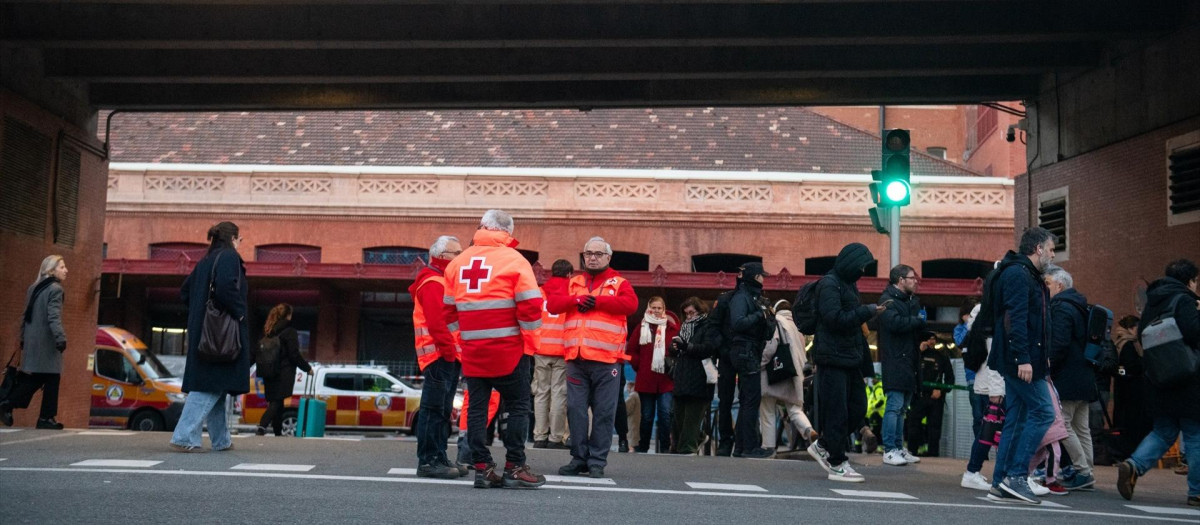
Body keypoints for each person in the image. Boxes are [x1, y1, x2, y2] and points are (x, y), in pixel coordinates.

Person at [443, 210, 546, 489]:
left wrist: (463, 344)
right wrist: (531, 342)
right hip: (509, 350)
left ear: (481, 227)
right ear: (508, 233)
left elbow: (449, 312)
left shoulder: (457, 263)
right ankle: (514, 465)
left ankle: (482, 468)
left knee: (476, 409)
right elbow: (530, 306)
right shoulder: (515, 261)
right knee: (518, 407)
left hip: (474, 351)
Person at [549, 236, 638, 479]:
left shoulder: (619, 282)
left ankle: (597, 460)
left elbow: (630, 304)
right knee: (576, 410)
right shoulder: (574, 281)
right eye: (589, 253)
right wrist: (577, 299)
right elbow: (553, 304)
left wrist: (596, 301)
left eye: (598, 254)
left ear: (608, 257)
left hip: (607, 359)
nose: (593, 257)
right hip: (576, 358)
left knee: (604, 412)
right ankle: (579, 458)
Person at [1117, 259, 1200, 508]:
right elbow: (1194, 333)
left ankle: (1134, 465)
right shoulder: (1184, 301)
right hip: (1188, 379)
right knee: (1195, 434)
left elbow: (1143, 335)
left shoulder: (1152, 302)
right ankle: (1196, 491)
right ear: (1190, 281)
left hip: (1158, 380)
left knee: (1163, 431)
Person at [985, 227, 1057, 505]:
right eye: (1051, 249)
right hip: (1021, 361)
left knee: (1017, 419)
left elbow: (1032, 320)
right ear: (1038, 248)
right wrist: (1023, 358)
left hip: (1025, 359)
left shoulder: (1025, 274)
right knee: (1042, 412)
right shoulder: (1019, 274)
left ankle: (1001, 482)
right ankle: (1015, 476)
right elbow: (1015, 318)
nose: (1053, 254)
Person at [169, 221, 252, 452]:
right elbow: (226, 288)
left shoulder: (205, 261)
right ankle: (184, 436)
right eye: (240, 239)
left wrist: (200, 312)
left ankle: (221, 440)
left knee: (215, 381)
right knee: (211, 385)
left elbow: (185, 292)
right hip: (220, 334)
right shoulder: (228, 257)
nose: (240, 244)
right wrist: (240, 313)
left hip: (203, 332)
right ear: (233, 238)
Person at [807, 243, 882, 483]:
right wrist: (866, 312)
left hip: (849, 357)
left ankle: (824, 445)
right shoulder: (829, 283)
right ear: (850, 262)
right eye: (861, 265)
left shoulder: (849, 284)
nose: (862, 270)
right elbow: (833, 318)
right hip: (831, 357)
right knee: (837, 411)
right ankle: (837, 461)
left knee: (859, 407)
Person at [411, 235, 466, 479]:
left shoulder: (440, 279)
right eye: (457, 253)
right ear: (443, 257)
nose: (461, 257)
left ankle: (438, 457)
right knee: (435, 410)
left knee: (441, 410)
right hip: (439, 356)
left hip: (444, 356)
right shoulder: (434, 282)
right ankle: (430, 460)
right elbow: (437, 322)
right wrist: (449, 353)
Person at [1043, 265, 1098, 491]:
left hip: (1067, 377)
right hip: (1084, 376)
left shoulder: (1062, 307)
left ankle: (1083, 471)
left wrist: (1049, 367)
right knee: (1081, 426)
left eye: (1047, 284)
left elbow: (1059, 344)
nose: (1045, 288)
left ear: (1060, 285)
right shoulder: (1081, 306)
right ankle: (1088, 471)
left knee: (1064, 424)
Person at [1, 255, 70, 429]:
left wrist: (23, 337)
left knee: (37, 378)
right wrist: (60, 338)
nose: (66, 270)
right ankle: (45, 418)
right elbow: (53, 316)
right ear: (51, 270)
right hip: (47, 343)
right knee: (52, 377)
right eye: (62, 267)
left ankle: (7, 404)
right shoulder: (55, 289)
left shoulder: (34, 288)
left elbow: (25, 315)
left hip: (33, 342)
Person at [725, 262, 777, 459]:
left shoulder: (753, 297)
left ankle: (741, 447)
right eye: (761, 276)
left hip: (751, 350)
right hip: (745, 351)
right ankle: (750, 446)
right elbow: (738, 323)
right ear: (755, 277)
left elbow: (766, 330)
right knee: (750, 401)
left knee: (748, 400)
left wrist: (768, 318)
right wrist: (760, 314)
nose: (764, 279)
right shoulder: (742, 297)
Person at [878, 264, 926, 466]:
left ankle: (898, 447)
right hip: (896, 360)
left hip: (908, 361)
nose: (915, 281)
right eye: (912, 278)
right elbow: (895, 323)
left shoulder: (909, 301)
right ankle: (889, 449)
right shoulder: (888, 301)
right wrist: (916, 321)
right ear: (900, 280)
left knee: (902, 408)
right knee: (895, 406)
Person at [759, 300, 818, 452]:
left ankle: (768, 448)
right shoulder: (798, 328)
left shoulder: (777, 321)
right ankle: (808, 430)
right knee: (795, 409)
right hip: (794, 374)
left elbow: (771, 346)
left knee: (768, 411)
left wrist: (760, 363)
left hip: (774, 373)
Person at [627, 296, 679, 453]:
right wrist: (639, 366)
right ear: (648, 309)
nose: (656, 311)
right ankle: (643, 448)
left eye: (659, 308)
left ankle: (664, 448)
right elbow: (631, 351)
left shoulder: (672, 328)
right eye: (653, 308)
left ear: (664, 310)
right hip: (646, 378)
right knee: (647, 416)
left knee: (665, 413)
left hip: (666, 380)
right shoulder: (641, 327)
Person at [253, 303, 313, 437]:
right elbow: (294, 354)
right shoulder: (289, 332)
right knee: (276, 402)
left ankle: (277, 432)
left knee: (277, 401)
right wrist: (307, 368)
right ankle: (262, 427)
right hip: (283, 371)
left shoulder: (268, 331)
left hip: (268, 370)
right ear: (288, 315)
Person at [532, 259, 573, 450]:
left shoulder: (540, 292)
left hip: (541, 349)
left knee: (541, 393)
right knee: (559, 394)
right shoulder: (571, 292)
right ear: (569, 274)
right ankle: (555, 438)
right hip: (563, 350)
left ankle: (539, 436)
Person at [670, 297, 719, 455]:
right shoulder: (684, 327)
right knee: (678, 416)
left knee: (692, 417)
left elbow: (708, 347)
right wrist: (674, 348)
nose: (689, 316)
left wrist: (688, 347)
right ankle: (697, 438)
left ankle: (687, 448)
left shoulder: (709, 326)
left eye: (692, 312)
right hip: (683, 374)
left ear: (700, 310)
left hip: (700, 375)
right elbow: (677, 349)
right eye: (686, 314)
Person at [963, 302, 1003, 491]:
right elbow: (994, 358)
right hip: (994, 387)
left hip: (987, 384)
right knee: (992, 432)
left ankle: (975, 471)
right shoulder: (992, 318)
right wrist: (996, 390)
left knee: (987, 431)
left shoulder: (982, 315)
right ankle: (1003, 474)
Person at [1112, 315, 1152, 457]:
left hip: (1123, 389)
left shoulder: (1120, 342)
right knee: (1134, 423)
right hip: (1132, 391)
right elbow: (1133, 366)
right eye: (1137, 328)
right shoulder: (1129, 344)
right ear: (1131, 328)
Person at [907, 331, 952, 457]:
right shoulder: (916, 355)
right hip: (918, 397)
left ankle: (933, 454)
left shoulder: (942, 357)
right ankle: (912, 452)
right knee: (913, 425)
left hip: (936, 398)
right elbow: (908, 369)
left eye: (933, 339)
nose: (931, 341)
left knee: (934, 428)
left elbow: (950, 380)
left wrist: (941, 390)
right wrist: (918, 352)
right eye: (928, 339)